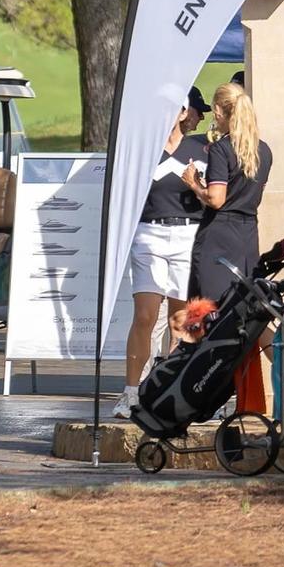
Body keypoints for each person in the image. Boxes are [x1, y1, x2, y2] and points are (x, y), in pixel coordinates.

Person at [113, 86, 211, 420]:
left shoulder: (202, 148)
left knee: (182, 318)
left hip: (188, 234)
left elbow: (212, 196)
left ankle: (176, 392)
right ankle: (130, 392)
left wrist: (196, 185)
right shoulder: (143, 150)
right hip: (148, 234)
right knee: (144, 315)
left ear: (185, 113)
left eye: (176, 108)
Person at [182, 81, 272, 302]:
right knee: (243, 305)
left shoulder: (222, 148)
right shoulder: (264, 150)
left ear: (219, 111)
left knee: (208, 307)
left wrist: (194, 184)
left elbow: (216, 199)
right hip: (248, 232)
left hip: (219, 232)